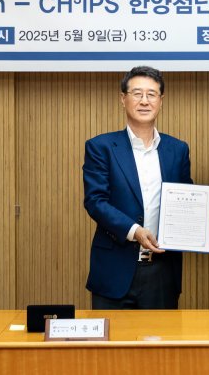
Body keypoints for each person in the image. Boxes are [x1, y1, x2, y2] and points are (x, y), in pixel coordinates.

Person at [83, 66, 192, 309]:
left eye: (151, 94)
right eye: (137, 93)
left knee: (161, 335)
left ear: (161, 100)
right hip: (114, 270)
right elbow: (95, 201)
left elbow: (186, 200)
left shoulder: (177, 150)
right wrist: (135, 231)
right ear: (123, 99)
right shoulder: (101, 147)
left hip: (163, 271)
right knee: (113, 335)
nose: (144, 101)